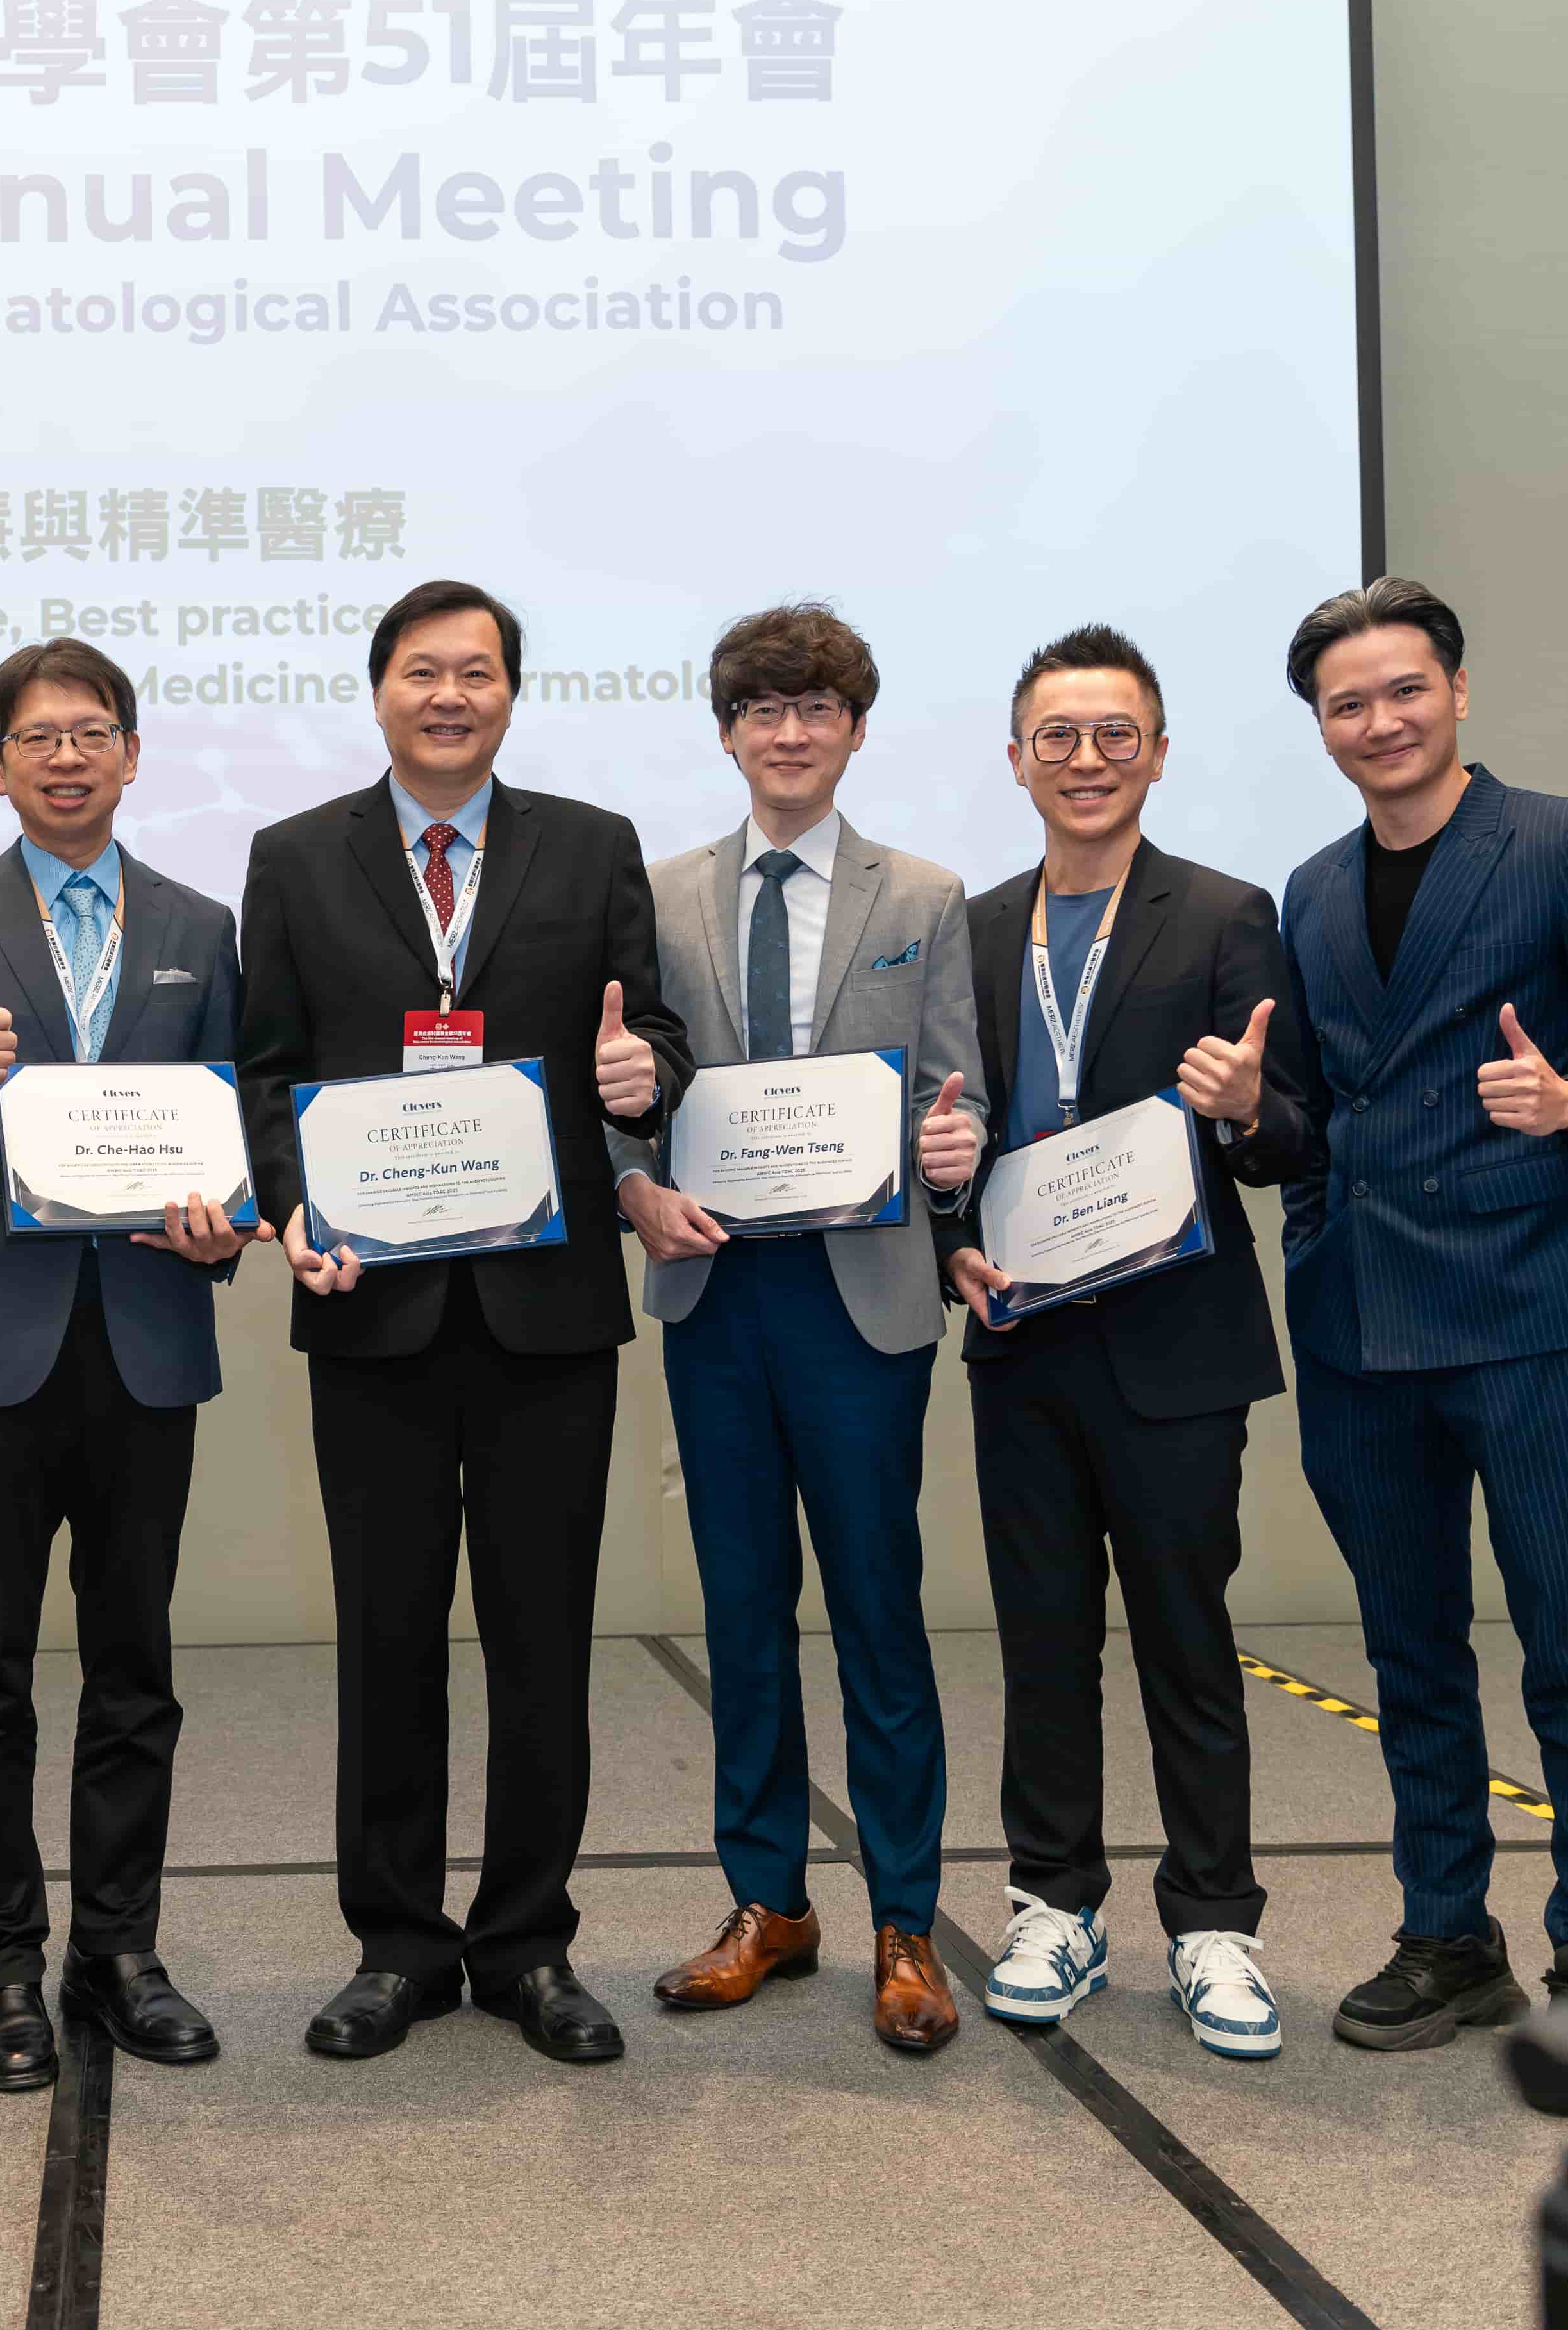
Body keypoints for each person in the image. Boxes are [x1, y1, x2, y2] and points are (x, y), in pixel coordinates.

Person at [238, 579, 693, 2068]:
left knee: (541, 1640)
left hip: (545, 1311)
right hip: (369, 1307)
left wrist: (646, 1076)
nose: (450, 696)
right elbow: (266, 1067)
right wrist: (293, 1208)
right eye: (422, 672)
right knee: (386, 1640)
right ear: (380, 690)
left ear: (511, 694)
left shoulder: (591, 845)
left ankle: (527, 1944)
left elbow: (652, 1034)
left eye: (477, 673)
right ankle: (397, 1947)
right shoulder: (294, 858)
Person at [1269, 579, 1568, 2079]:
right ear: (1321, 727)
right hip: (1361, 1324)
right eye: (1347, 703)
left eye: (1405, 690)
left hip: (1531, 1313)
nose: (1380, 721)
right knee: (1412, 1655)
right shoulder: (1312, 888)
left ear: (1457, 691)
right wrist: (1291, 1193)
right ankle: (1448, 1936)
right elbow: (1315, 1105)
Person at [928, 625, 1322, 2059]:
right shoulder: (972, 930)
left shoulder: (1225, 914)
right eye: (1058, 736)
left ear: (1157, 753)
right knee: (1043, 1642)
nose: (1085, 759)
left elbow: (1293, 1134)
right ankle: (1056, 1904)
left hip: (1174, 1345)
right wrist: (946, 1228)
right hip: (1023, 1339)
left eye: (1114, 735)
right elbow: (947, 1136)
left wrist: (1244, 1107)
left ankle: (1215, 1924)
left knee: (1185, 1640)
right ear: (1016, 757)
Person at [609, 603, 988, 2053]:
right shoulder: (659, 894)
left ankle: (906, 1916)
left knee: (880, 1611)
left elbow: (957, 1091)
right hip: (716, 1291)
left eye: (816, 709)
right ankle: (767, 1901)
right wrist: (634, 1186)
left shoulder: (925, 896)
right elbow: (621, 1087)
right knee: (743, 1611)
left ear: (856, 729)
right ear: (727, 734)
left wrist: (956, 1156)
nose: (789, 733)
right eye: (762, 710)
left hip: (861, 1297)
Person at [0, 638, 251, 2092]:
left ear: (134, 754)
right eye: (37, 737)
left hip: (146, 1338)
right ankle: (2, 1964)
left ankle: (119, 1950)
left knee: (135, 1669)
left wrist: (226, 1230)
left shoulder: (198, 923)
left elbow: (231, 1134)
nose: (67, 757)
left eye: (93, 732)